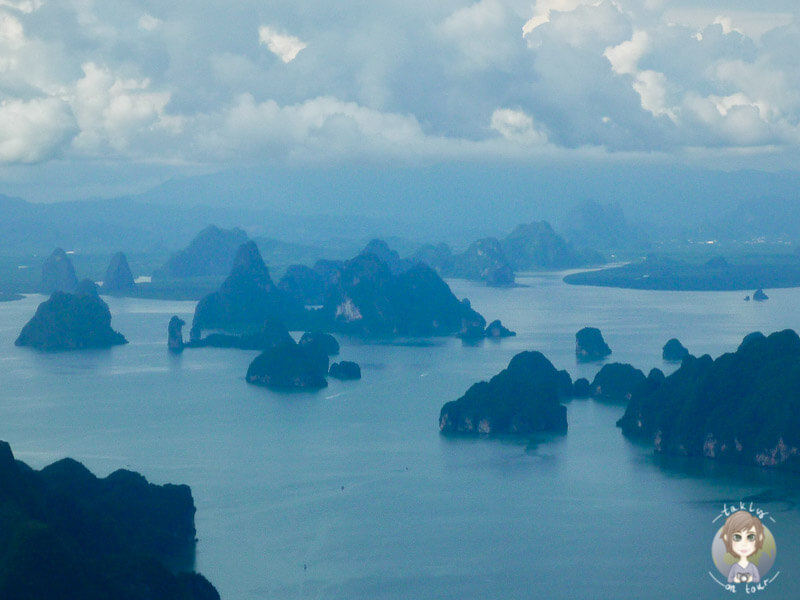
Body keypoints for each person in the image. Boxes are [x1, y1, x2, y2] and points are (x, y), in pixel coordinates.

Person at [720, 511, 765, 583]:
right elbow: (729, 580)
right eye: (737, 537)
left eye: (751, 537)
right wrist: (735, 579)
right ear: (727, 538)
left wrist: (751, 579)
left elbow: (757, 579)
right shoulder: (734, 567)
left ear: (759, 538)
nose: (744, 543)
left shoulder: (752, 567)